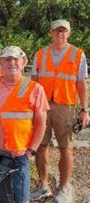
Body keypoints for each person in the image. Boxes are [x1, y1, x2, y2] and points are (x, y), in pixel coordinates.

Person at [0, 46, 48, 203]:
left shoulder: (35, 88)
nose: (12, 63)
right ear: (1, 62)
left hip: (19, 154)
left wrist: (31, 152)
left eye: (16, 59)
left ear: (23, 62)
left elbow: (41, 124)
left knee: (20, 199)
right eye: (7, 59)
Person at [31, 19, 89, 203]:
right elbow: (33, 82)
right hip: (42, 106)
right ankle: (43, 186)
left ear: (69, 33)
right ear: (51, 33)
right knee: (41, 146)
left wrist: (84, 110)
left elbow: (81, 84)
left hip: (66, 106)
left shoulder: (78, 54)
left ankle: (64, 188)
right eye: (57, 31)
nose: (60, 34)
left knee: (66, 148)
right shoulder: (40, 54)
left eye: (64, 31)